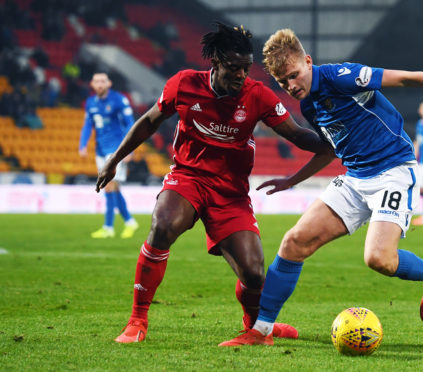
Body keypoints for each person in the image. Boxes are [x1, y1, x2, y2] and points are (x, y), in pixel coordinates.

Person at [220, 28, 423, 346]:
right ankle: (261, 332)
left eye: (294, 75)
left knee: (379, 259)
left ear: (308, 61)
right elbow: (329, 150)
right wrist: (293, 180)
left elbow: (405, 78)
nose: (291, 86)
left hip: (394, 169)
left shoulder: (342, 76)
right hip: (356, 177)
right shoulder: (309, 105)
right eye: (284, 82)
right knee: (293, 243)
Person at [95, 23, 331, 343]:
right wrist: (114, 159)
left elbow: (298, 135)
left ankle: (255, 325)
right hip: (188, 177)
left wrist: (338, 140)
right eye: (234, 68)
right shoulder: (184, 84)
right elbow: (150, 120)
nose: (241, 76)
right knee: (163, 225)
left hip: (231, 193)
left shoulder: (257, 95)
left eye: (246, 69)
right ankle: (137, 320)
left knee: (253, 272)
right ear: (216, 62)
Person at [79, 72, 138, 239]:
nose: (99, 84)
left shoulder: (119, 100)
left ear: (109, 83)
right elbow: (87, 125)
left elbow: (130, 125)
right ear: (91, 83)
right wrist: (82, 145)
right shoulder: (90, 103)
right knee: (112, 187)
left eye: (102, 81)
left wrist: (129, 149)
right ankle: (129, 221)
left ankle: (108, 227)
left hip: (116, 150)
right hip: (100, 150)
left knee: (109, 186)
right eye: (96, 81)